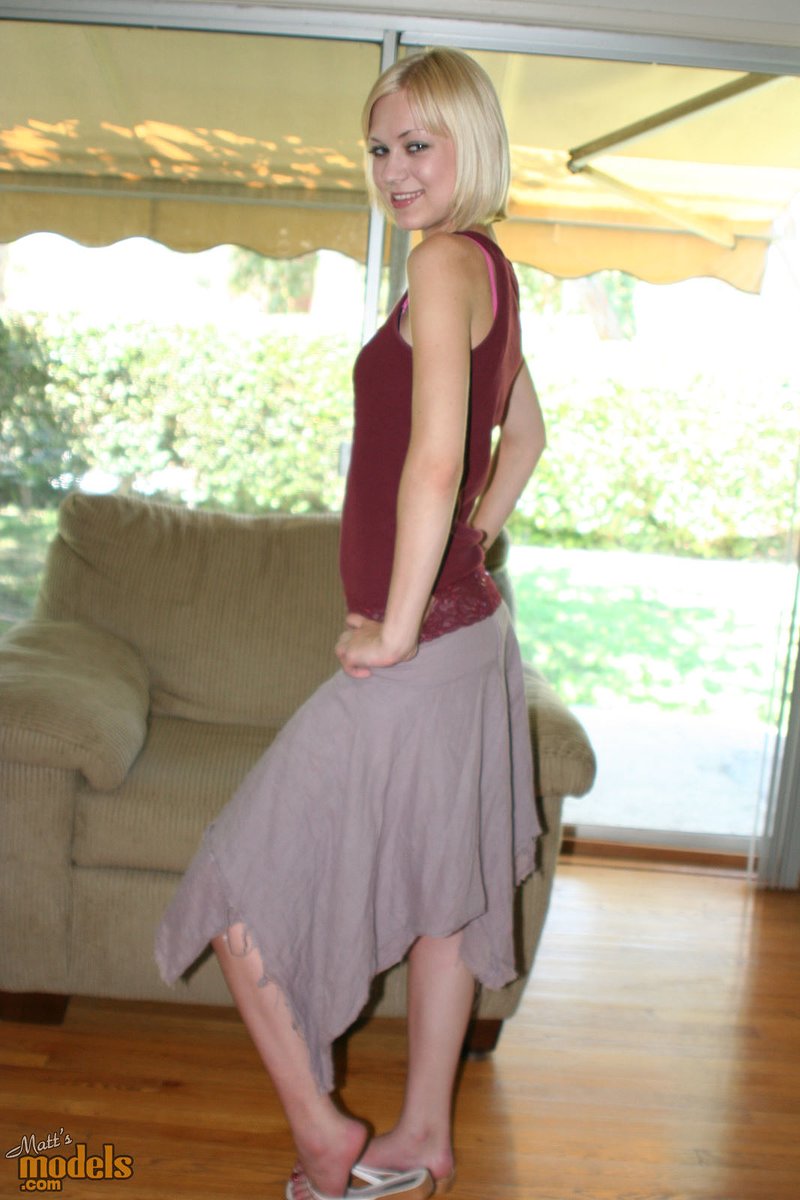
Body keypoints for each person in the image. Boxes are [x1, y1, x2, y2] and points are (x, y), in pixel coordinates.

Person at [155, 46, 546, 1200]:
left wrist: (396, 623)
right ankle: (421, 1137)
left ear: (472, 143)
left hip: (426, 650)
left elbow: (436, 458)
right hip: (470, 639)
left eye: (416, 144)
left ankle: (327, 1138)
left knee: (235, 885)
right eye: (378, 148)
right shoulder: (486, 269)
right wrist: (472, 545)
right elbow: (522, 436)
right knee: (442, 897)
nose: (391, 168)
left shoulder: (441, 262)